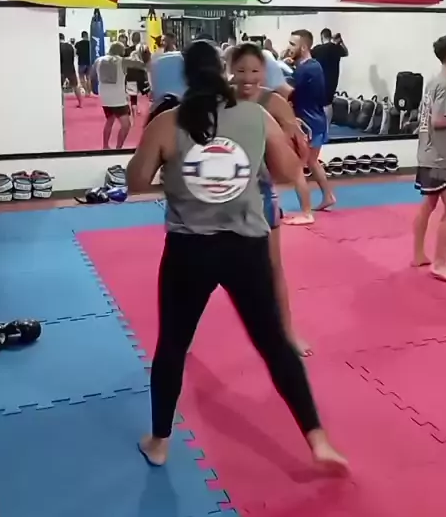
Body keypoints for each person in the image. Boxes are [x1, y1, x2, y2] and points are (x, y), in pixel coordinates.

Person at [126, 39, 346, 470]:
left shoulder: (168, 122)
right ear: (222, 72)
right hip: (246, 247)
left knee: (172, 345)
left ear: (186, 77)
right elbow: (290, 172)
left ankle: (160, 441)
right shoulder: (254, 115)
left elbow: (136, 182)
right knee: (274, 344)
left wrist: (159, 148)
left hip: (189, 250)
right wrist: (258, 156)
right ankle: (318, 440)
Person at [230, 42, 313, 356]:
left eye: (254, 70)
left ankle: (287, 332)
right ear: (231, 71)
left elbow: (297, 155)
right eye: (241, 70)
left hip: (261, 192)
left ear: (264, 72)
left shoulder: (273, 102)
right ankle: (179, 338)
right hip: (223, 196)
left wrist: (294, 143)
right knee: (203, 270)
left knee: (273, 267)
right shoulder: (221, 100)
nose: (247, 77)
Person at [413, 34, 446, 283]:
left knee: (429, 205)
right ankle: (439, 263)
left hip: (429, 154)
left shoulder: (433, 82)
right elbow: (439, 120)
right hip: (443, 159)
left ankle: (418, 254)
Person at [288, 30, 336, 212]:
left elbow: (286, 91)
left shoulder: (305, 69)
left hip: (308, 124)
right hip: (317, 121)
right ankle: (328, 196)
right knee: (312, 162)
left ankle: (305, 210)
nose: (289, 48)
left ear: (303, 47)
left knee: (296, 166)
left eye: (292, 44)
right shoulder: (315, 66)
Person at [90, 42, 144, 149]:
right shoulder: (123, 61)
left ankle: (105, 146)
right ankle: (118, 148)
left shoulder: (98, 60)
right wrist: (138, 55)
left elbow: (92, 76)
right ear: (121, 51)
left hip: (104, 97)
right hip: (118, 98)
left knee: (110, 120)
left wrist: (94, 90)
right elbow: (141, 65)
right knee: (126, 125)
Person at [312, 29, 349, 127]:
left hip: (320, 78)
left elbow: (308, 58)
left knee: (320, 103)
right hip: (333, 78)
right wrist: (341, 42)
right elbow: (346, 53)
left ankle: (321, 124)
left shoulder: (318, 48)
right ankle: (327, 125)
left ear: (322, 37)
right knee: (328, 102)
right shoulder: (336, 48)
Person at [59, 33, 82, 108]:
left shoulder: (58, 46)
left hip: (61, 69)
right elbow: (74, 56)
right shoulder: (70, 46)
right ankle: (80, 103)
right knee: (75, 86)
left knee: (60, 88)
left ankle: (61, 104)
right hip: (71, 69)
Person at [75, 31, 93, 95]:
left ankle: (86, 91)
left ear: (82, 36)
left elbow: (76, 53)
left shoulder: (78, 44)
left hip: (81, 63)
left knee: (81, 78)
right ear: (87, 36)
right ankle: (90, 92)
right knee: (88, 78)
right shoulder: (91, 43)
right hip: (89, 62)